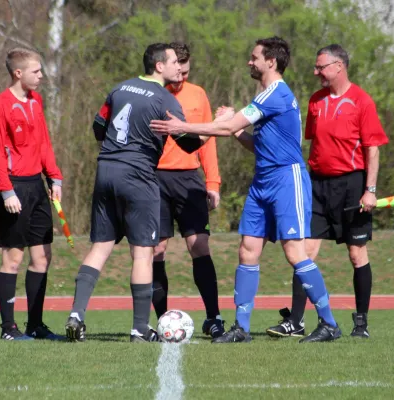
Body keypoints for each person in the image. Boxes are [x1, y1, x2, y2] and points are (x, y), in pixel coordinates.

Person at [150, 37, 341, 343]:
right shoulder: (265, 95)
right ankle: (241, 327)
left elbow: (223, 128)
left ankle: (329, 323)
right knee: (247, 250)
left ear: (271, 62)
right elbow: (256, 144)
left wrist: (183, 128)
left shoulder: (276, 93)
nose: (250, 62)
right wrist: (237, 129)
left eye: (254, 58)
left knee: (294, 252)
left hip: (285, 180)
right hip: (263, 180)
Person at [64, 43, 205, 343]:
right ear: (158, 66)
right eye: (173, 63)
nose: (178, 68)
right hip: (138, 175)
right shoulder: (165, 99)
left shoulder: (118, 89)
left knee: (101, 246)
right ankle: (140, 328)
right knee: (142, 253)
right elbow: (189, 144)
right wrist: (213, 128)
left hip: (106, 170)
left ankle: (76, 314)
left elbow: (98, 127)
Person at [267, 44, 389, 339]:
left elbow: (372, 149)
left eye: (320, 66)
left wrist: (370, 190)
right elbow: (311, 143)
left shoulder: (362, 101)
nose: (316, 72)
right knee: (303, 251)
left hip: (352, 186)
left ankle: (361, 324)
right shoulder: (315, 101)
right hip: (317, 185)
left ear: (338, 66)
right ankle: (295, 322)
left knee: (356, 253)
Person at [0, 47, 65, 341]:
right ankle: (9, 329)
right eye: (36, 71)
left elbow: (43, 142)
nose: (41, 76)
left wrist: (54, 176)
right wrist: (6, 191)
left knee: (42, 257)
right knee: (13, 259)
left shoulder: (36, 101)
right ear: (18, 73)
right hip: (14, 188)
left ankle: (36, 325)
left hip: (37, 187)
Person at [152, 42, 225, 339]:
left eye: (185, 66)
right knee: (156, 250)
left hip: (189, 180)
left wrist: (213, 182)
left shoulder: (198, 94)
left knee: (199, 246)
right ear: (164, 65)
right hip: (154, 179)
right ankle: (161, 321)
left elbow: (209, 139)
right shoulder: (153, 94)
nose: (181, 72)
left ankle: (214, 317)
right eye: (176, 65)